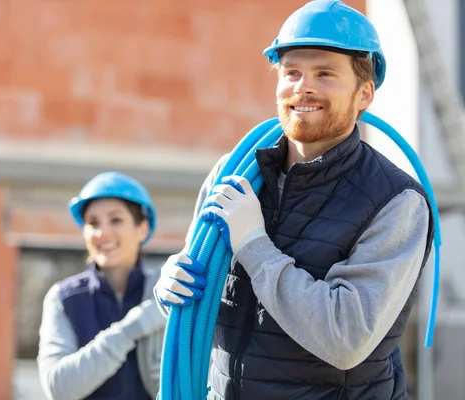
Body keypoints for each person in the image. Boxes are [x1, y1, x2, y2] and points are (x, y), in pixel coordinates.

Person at [154, 1, 435, 399]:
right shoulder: (232, 174)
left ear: (365, 94)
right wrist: (171, 290)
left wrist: (254, 244)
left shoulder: (396, 201)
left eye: (325, 74)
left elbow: (345, 339)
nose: (303, 87)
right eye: (292, 72)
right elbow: (207, 298)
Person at [37, 171, 166, 400]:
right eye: (92, 222)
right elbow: (58, 388)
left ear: (142, 229)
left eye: (116, 220)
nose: (102, 233)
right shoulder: (64, 299)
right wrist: (130, 329)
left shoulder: (168, 293)